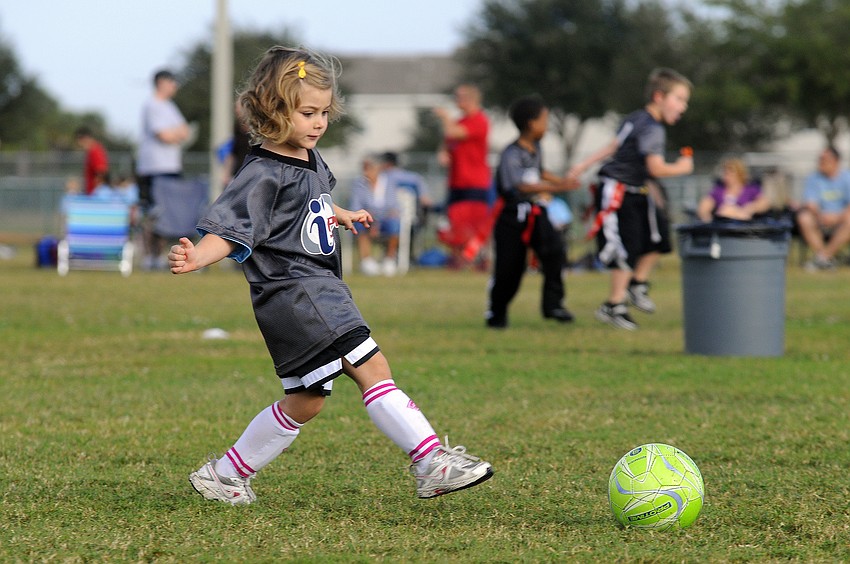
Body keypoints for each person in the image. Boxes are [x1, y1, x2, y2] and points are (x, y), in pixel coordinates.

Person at [167, 46, 493, 505]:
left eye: (323, 112)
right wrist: (198, 257)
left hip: (309, 291)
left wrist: (341, 213)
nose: (318, 122)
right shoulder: (262, 172)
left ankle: (223, 474)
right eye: (307, 113)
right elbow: (232, 226)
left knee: (307, 401)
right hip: (301, 289)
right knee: (372, 366)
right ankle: (431, 461)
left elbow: (308, 203)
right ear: (273, 110)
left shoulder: (309, 158)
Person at [568, 68, 694, 330]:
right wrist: (682, 168)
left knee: (657, 239)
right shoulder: (652, 128)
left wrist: (582, 166)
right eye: (679, 99)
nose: (684, 107)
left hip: (637, 189)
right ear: (659, 97)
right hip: (618, 190)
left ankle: (637, 285)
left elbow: (613, 147)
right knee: (626, 246)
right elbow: (656, 169)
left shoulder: (637, 118)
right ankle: (614, 305)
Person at [486, 96, 579, 329]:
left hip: (536, 213)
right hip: (512, 217)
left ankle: (553, 305)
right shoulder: (511, 154)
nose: (546, 126)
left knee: (555, 251)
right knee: (510, 269)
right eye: (544, 121)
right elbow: (520, 185)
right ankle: (497, 312)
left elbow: (538, 172)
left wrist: (562, 180)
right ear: (530, 124)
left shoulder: (535, 148)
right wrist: (556, 187)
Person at [136, 69, 191, 270]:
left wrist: (174, 134)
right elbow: (164, 135)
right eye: (172, 82)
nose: (175, 86)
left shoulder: (170, 106)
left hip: (171, 167)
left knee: (170, 214)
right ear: (161, 83)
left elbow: (183, 131)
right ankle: (151, 256)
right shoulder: (152, 105)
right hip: (154, 169)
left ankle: (165, 255)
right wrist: (175, 134)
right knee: (153, 214)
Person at [434, 84, 492, 268]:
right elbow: (447, 142)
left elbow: (452, 133)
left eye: (460, 97)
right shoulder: (459, 122)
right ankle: (459, 261)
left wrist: (444, 117)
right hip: (456, 182)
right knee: (455, 224)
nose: (457, 100)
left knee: (475, 225)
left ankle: (481, 260)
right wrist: (443, 152)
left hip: (475, 182)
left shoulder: (479, 120)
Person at [795, 146, 850, 270]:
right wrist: (820, 216)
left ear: (835, 161)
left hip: (841, 219)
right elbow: (811, 203)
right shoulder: (813, 178)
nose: (820, 162)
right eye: (819, 159)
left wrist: (837, 218)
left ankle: (823, 258)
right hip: (819, 218)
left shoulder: (847, 177)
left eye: (823, 159)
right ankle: (825, 258)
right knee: (804, 218)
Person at [349, 156, 401, 276]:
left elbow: (393, 205)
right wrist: (370, 218)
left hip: (386, 218)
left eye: (370, 168)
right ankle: (367, 261)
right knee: (359, 225)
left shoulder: (389, 182)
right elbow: (355, 206)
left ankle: (389, 260)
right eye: (365, 169)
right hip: (367, 217)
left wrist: (377, 220)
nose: (367, 172)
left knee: (394, 224)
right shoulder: (359, 184)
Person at [696, 158, 771, 222]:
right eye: (725, 173)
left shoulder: (751, 189)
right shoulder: (718, 190)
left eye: (731, 173)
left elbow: (764, 203)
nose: (727, 176)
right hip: (722, 224)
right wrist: (707, 219)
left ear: (740, 174)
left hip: (744, 225)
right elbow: (704, 207)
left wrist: (750, 208)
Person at [74, 126, 109, 196]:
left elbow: (101, 172)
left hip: (95, 197)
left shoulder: (95, 151)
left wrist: (97, 192)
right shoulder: (91, 152)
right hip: (92, 194)